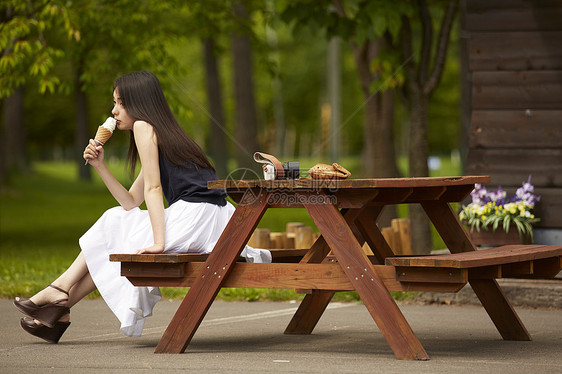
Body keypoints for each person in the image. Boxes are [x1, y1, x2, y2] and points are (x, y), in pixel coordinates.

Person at [14, 71, 271, 344]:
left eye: (120, 103)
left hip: (198, 217)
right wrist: (101, 166)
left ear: (139, 103)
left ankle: (59, 290)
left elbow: (153, 190)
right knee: (114, 226)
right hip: (213, 219)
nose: (114, 112)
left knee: (113, 223)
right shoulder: (164, 133)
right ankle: (57, 310)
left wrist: (159, 243)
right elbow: (131, 201)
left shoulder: (143, 128)